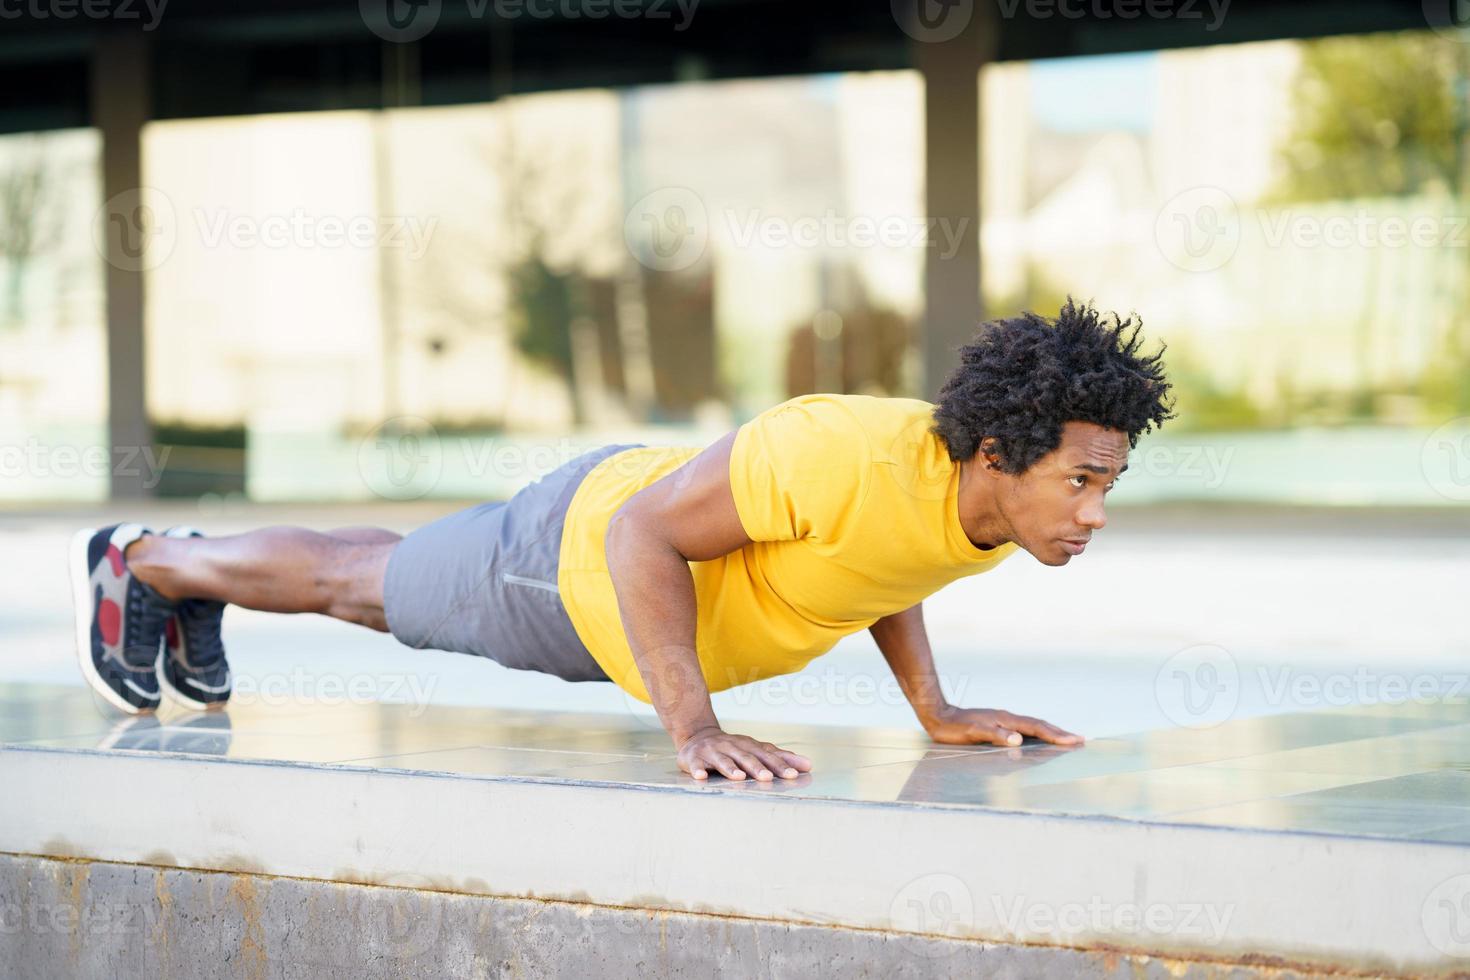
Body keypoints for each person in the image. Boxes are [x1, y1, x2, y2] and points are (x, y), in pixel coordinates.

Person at [70, 298, 1174, 783]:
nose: (1093, 512)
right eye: (1080, 481)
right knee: (361, 583)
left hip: (608, 610)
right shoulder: (839, 449)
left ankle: (191, 568)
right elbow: (649, 529)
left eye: (1107, 484)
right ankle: (145, 559)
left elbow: (888, 563)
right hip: (575, 565)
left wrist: (933, 707)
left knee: (381, 575)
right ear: (996, 450)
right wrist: (692, 725)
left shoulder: (976, 508)